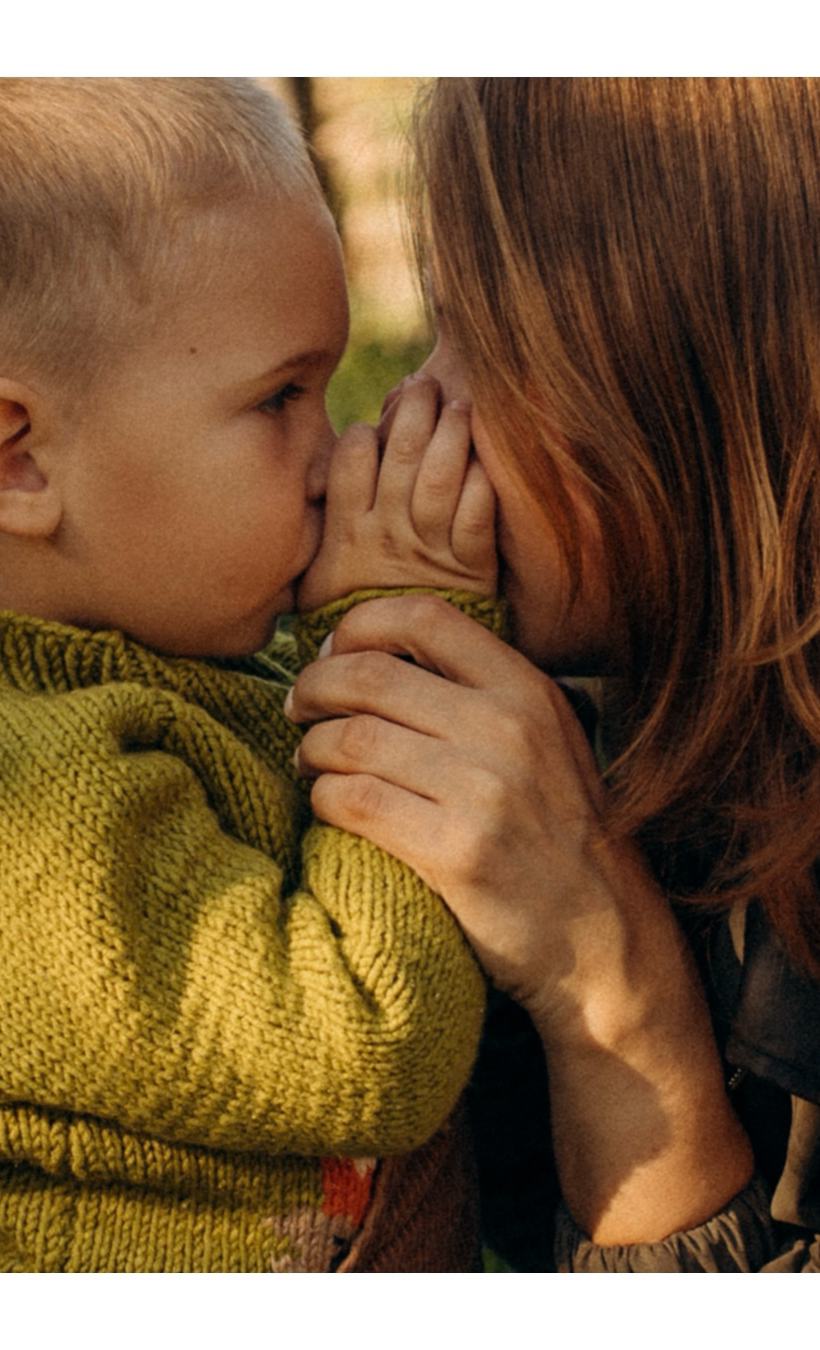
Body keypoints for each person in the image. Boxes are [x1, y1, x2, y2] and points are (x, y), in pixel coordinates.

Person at [0, 76, 504, 1272]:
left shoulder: (156, 646)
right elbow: (360, 1048)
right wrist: (397, 628)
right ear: (20, 461)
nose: (335, 455)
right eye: (280, 398)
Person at [287, 77, 820, 1272]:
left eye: (480, 336)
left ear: (677, 364)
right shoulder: (614, 722)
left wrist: (616, 995)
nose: (408, 406)